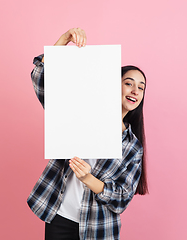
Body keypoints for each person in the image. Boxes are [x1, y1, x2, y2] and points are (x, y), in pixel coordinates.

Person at [27, 28, 148, 240]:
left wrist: (88, 178)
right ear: (113, 85)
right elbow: (42, 79)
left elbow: (122, 198)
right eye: (128, 83)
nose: (135, 91)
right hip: (59, 217)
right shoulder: (80, 112)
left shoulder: (132, 146)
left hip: (98, 228)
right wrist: (63, 41)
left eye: (141, 87)